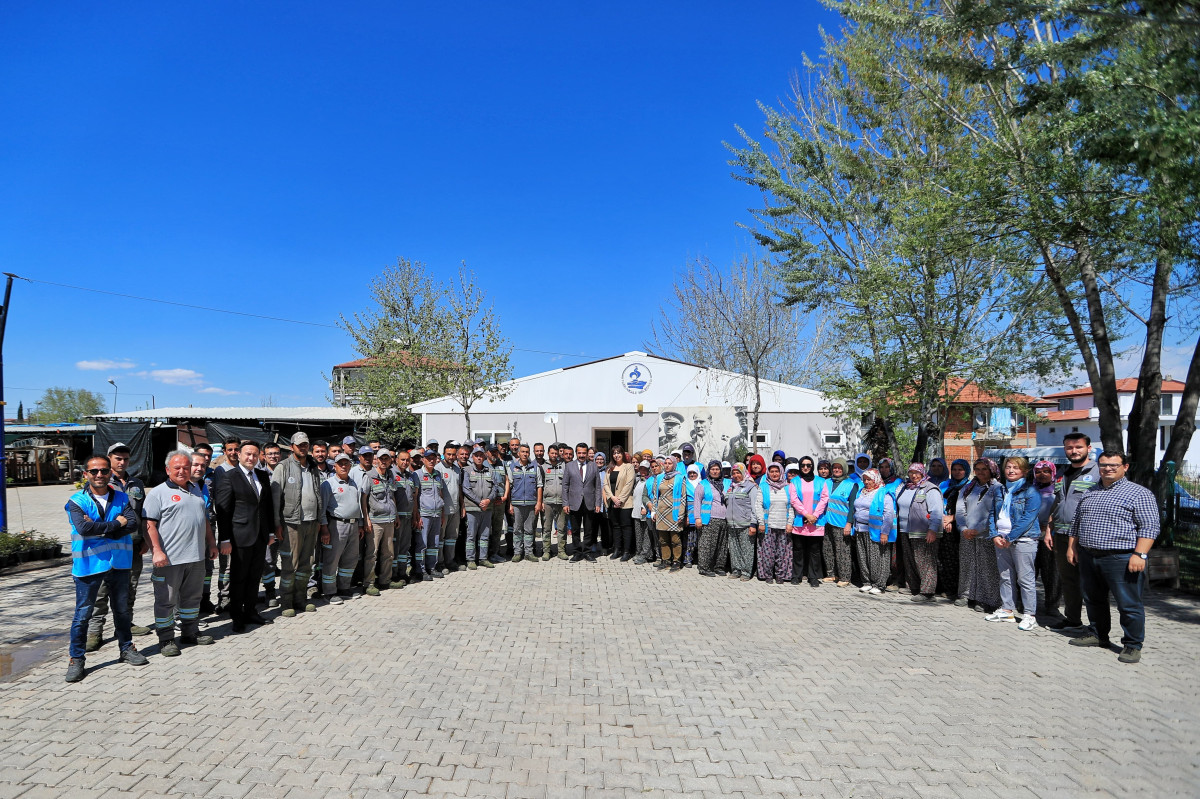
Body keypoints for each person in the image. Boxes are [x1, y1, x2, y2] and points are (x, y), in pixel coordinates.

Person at [1066, 451, 1160, 663]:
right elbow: (1077, 523)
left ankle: (1132, 644)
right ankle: (1098, 635)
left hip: (1121, 558)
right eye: (1104, 464)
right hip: (1089, 555)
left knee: (1128, 604)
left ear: (1125, 467)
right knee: (1093, 599)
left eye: (1113, 465)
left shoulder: (1139, 494)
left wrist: (1140, 554)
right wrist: (1072, 548)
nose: (1108, 468)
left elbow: (1150, 527)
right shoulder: (1090, 491)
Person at [64, 455, 149, 681]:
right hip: (88, 565)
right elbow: (83, 528)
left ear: (110, 473)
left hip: (119, 562)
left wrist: (99, 528)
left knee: (122, 610)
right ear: (86, 475)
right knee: (83, 614)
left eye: (103, 471)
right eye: (94, 471)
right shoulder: (77, 501)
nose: (99, 475)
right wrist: (115, 525)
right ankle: (77, 658)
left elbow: (132, 524)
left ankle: (126, 648)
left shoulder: (122, 498)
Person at [146, 451, 220, 653]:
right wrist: (157, 551)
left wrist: (212, 544)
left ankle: (190, 632)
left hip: (196, 557)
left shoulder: (196, 490)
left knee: (192, 598)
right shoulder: (157, 493)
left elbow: (204, 520)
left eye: (186, 468)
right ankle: (166, 639)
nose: (182, 471)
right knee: (166, 601)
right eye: (177, 467)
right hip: (169, 560)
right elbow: (149, 525)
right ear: (167, 469)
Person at [86, 443, 151, 652]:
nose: (122, 462)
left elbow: (143, 515)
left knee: (129, 589)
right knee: (101, 590)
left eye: (125, 459)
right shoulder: (101, 481)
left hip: (132, 546)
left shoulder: (137, 484)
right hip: (106, 546)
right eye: (117, 459)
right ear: (109, 458)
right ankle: (95, 632)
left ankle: (124, 625)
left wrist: (145, 540)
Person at [212, 441, 275, 631]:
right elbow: (223, 511)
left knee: (254, 576)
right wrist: (224, 539)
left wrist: (270, 532)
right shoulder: (229, 477)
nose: (251, 458)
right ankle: (237, 615)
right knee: (239, 578)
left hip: (260, 536)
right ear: (239, 454)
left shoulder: (262, 476)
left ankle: (250, 611)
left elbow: (267, 507)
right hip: (239, 537)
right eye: (248, 454)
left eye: (255, 455)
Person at [1047, 433, 1099, 630]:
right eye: (1069, 448)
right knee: (1068, 580)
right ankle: (1073, 620)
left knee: (1090, 582)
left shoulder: (1097, 471)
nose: (1074, 451)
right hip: (1061, 533)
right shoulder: (1063, 473)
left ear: (1088, 448)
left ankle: (1096, 627)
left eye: (1078, 447)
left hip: (1086, 535)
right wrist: (1049, 529)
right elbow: (1058, 502)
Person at [270, 432, 326, 615]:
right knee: (290, 565)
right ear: (292, 446)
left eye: (305, 444)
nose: (303, 448)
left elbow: (318, 495)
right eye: (299, 444)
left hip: (311, 523)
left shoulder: (313, 467)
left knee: (306, 564)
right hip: (291, 524)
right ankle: (286, 602)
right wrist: (277, 524)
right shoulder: (283, 467)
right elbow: (275, 498)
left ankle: (300, 599)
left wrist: (319, 520)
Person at [984, 456, 1043, 629]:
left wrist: (1010, 538)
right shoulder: (1000, 490)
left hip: (1023, 540)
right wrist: (994, 534)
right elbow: (993, 514)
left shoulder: (1031, 491)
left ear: (1024, 471)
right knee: (1005, 576)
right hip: (1001, 539)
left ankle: (1029, 614)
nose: (1011, 470)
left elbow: (1028, 519)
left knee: (1025, 578)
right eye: (1008, 467)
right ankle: (1007, 609)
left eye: (1016, 468)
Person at [956, 459, 1003, 613]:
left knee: (987, 568)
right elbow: (960, 508)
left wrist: (980, 529)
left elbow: (997, 512)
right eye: (977, 469)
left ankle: (986, 599)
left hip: (987, 534)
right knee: (967, 565)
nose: (981, 472)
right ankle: (966, 595)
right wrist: (963, 527)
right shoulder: (968, 487)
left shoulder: (998, 488)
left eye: (984, 469)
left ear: (992, 470)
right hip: (967, 533)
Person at [320, 453, 366, 603]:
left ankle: (344, 588)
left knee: (350, 559)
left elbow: (357, 505)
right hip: (336, 525)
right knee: (332, 559)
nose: (344, 466)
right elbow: (322, 509)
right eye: (341, 464)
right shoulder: (328, 484)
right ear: (335, 466)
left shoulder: (353, 483)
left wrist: (359, 525)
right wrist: (324, 529)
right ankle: (329, 592)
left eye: (346, 463)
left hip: (353, 526)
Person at [362, 449, 400, 594]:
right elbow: (363, 499)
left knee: (388, 553)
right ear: (376, 460)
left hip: (389, 520)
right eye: (381, 459)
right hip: (375, 521)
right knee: (372, 554)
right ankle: (369, 583)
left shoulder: (391, 475)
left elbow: (392, 496)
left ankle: (385, 580)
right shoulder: (369, 476)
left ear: (391, 461)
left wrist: (396, 515)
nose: (384, 461)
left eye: (387, 459)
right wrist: (366, 519)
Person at [853, 469, 897, 595]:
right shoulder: (862, 492)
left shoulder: (883, 492)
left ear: (876, 479)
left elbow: (888, 514)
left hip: (876, 531)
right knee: (863, 557)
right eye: (864, 479)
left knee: (878, 557)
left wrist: (885, 532)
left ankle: (879, 584)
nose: (866, 482)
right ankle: (867, 582)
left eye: (869, 479)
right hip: (860, 529)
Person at [788, 456, 830, 587]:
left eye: (809, 465)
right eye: (803, 465)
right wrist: (806, 514)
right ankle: (797, 575)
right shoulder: (794, 481)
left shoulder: (820, 481)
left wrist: (814, 515)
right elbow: (794, 500)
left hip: (816, 522)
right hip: (800, 521)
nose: (805, 468)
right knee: (798, 550)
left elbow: (824, 499)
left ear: (812, 467)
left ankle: (813, 577)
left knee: (815, 550)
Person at [562, 442, 604, 562]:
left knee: (588, 529)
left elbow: (597, 487)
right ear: (576, 453)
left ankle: (587, 552)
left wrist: (597, 503)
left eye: (583, 453)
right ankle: (576, 552)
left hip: (589, 502)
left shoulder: (593, 466)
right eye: (579, 453)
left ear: (587, 453)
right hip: (574, 503)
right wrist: (565, 503)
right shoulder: (569, 466)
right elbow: (565, 486)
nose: (581, 455)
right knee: (575, 530)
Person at [936, 459, 971, 599]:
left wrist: (952, 518)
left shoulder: (970, 486)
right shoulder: (945, 484)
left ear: (966, 470)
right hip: (944, 525)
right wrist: (945, 517)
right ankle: (947, 587)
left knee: (959, 560)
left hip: (962, 528)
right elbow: (938, 502)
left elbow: (971, 508)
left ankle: (959, 589)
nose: (957, 472)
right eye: (954, 469)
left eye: (960, 469)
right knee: (944, 559)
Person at [821, 458, 858, 587]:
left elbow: (853, 506)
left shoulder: (851, 484)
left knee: (843, 551)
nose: (836, 470)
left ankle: (845, 576)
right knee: (828, 548)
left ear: (844, 469)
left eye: (839, 468)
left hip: (841, 523)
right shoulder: (827, 482)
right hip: (827, 521)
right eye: (835, 468)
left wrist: (849, 523)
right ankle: (831, 574)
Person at [415, 449, 451, 579]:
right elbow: (415, 497)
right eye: (428, 458)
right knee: (422, 544)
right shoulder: (417, 474)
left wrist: (441, 514)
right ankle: (421, 570)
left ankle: (432, 567)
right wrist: (417, 516)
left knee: (434, 543)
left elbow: (440, 494)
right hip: (424, 515)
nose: (431, 460)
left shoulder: (437, 474)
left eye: (433, 458)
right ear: (423, 460)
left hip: (436, 514)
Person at [757, 462, 795, 585]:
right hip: (769, 526)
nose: (774, 474)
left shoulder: (788, 487)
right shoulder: (763, 486)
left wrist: (790, 523)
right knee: (768, 553)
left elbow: (791, 507)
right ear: (768, 473)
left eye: (777, 471)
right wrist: (761, 522)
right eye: (772, 471)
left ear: (781, 473)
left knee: (783, 553)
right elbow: (758, 505)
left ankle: (780, 575)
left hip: (784, 525)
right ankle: (768, 575)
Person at [724, 462, 762, 581]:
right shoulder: (731, 487)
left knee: (747, 549)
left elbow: (755, 505)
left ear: (743, 473)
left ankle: (746, 571)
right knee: (734, 549)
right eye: (733, 473)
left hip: (746, 523)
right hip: (732, 523)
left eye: (738, 473)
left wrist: (753, 524)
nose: (736, 475)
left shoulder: (750, 487)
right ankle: (736, 570)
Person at [507, 444, 543, 563]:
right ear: (518, 453)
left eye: (527, 452)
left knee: (529, 529)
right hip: (516, 504)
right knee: (517, 529)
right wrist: (510, 504)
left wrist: (538, 502)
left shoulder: (535, 467)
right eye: (522, 452)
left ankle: (529, 552)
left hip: (531, 503)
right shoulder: (512, 467)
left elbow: (539, 486)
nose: (525, 454)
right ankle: (517, 552)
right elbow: (510, 486)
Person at [462, 446, 496, 568]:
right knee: (471, 535)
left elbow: (495, 488)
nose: (479, 457)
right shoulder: (466, 470)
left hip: (487, 508)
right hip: (472, 508)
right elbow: (466, 489)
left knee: (485, 535)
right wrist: (479, 501)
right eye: (476, 455)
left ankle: (483, 558)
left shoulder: (490, 471)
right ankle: (470, 559)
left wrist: (488, 500)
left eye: (481, 455)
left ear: (485, 456)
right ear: (472, 457)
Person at [695, 460, 731, 577]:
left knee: (722, 544)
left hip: (724, 519)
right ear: (708, 471)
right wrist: (697, 518)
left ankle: (719, 566)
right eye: (712, 469)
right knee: (707, 544)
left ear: (720, 470)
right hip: (708, 519)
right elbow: (697, 502)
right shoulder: (703, 484)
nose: (715, 471)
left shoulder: (727, 483)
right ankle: (704, 567)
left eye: (717, 469)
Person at [651, 455, 686, 571]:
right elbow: (656, 496)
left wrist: (681, 514)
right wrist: (653, 511)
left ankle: (676, 561)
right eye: (665, 463)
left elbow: (683, 497)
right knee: (663, 539)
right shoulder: (659, 477)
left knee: (675, 539)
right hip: (661, 513)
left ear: (674, 465)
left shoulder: (680, 478)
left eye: (669, 463)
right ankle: (665, 560)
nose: (667, 465)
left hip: (674, 512)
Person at [391, 449, 419, 583]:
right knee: (395, 548)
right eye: (402, 459)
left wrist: (414, 516)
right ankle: (394, 574)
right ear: (396, 460)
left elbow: (414, 497)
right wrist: (395, 516)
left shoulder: (410, 476)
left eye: (407, 460)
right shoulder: (391, 474)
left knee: (404, 547)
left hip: (408, 517)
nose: (405, 462)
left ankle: (403, 572)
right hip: (397, 519)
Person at [604, 445, 636, 561]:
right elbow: (606, 484)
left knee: (626, 527)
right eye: (614, 453)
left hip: (625, 503)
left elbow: (629, 484)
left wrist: (620, 499)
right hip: (612, 502)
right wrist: (612, 498)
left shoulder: (628, 467)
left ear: (623, 454)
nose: (616, 455)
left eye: (619, 452)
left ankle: (626, 551)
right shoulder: (609, 468)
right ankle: (617, 549)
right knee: (615, 526)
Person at [435, 445, 462, 574]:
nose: (451, 457)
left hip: (455, 509)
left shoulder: (457, 469)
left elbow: (459, 489)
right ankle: (440, 563)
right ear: (443, 454)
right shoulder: (438, 469)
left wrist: (462, 507)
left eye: (453, 454)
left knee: (452, 537)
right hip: (443, 510)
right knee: (441, 538)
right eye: (448, 454)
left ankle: (450, 561)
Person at [539, 443, 568, 560]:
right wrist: (540, 502)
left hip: (561, 502)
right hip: (547, 502)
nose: (554, 455)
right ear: (548, 453)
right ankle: (546, 551)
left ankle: (561, 551)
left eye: (556, 453)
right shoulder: (543, 467)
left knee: (561, 528)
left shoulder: (564, 466)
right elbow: (540, 485)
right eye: (552, 453)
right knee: (546, 528)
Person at [486, 446, 511, 563]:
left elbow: (507, 481)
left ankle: (495, 553)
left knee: (497, 529)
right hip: (488, 503)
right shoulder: (484, 465)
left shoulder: (502, 464)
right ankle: (485, 554)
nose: (494, 454)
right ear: (487, 453)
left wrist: (505, 496)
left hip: (500, 502)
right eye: (492, 452)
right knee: (486, 530)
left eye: (495, 452)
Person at [631, 460, 653, 564]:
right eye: (641, 469)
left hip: (645, 511)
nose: (643, 471)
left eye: (645, 469)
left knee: (646, 534)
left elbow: (648, 496)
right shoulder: (638, 480)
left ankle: (645, 554)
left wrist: (644, 507)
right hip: (636, 511)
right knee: (638, 534)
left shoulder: (650, 481)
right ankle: (638, 552)